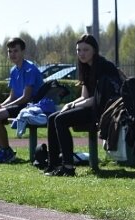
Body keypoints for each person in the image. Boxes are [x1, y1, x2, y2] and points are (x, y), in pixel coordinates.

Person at [43, 34, 123, 177]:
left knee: (60, 120)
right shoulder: (85, 67)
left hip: (104, 110)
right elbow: (84, 97)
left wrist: (73, 107)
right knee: (52, 118)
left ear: (94, 50)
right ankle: (53, 164)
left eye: (86, 50)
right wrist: (71, 104)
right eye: (79, 50)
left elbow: (99, 99)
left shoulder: (105, 67)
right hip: (91, 107)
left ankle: (68, 166)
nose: (82, 53)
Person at [0, 37, 43, 164]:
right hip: (18, 105)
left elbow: (26, 97)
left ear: (23, 51)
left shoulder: (30, 69)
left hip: (30, 106)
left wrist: (2, 108)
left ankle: (6, 151)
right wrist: (1, 105)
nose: (12, 54)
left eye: (15, 51)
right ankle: (5, 150)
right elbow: (12, 96)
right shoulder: (13, 70)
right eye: (10, 51)